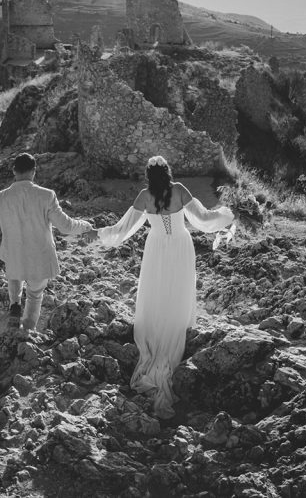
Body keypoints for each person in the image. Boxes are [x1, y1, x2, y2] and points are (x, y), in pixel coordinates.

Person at [82, 155, 234, 418]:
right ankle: (176, 328)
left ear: (148, 176)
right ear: (167, 172)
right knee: (177, 289)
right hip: (179, 245)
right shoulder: (179, 190)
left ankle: (156, 339)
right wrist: (231, 212)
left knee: (157, 290)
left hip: (155, 247)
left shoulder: (143, 196)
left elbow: (122, 229)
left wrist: (98, 233)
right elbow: (206, 219)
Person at [0, 153, 94, 331]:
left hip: (13, 253)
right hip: (40, 255)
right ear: (34, 171)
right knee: (35, 295)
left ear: (14, 170)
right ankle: (27, 331)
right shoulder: (46, 196)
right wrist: (86, 226)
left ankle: (15, 304)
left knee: (14, 274)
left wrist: (2, 251)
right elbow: (66, 226)